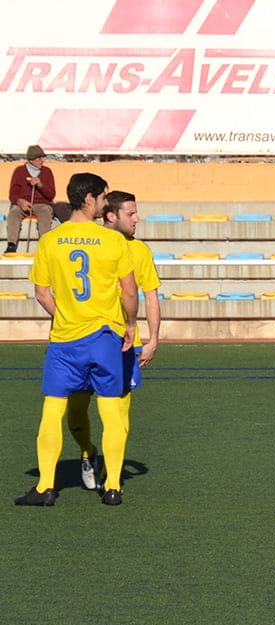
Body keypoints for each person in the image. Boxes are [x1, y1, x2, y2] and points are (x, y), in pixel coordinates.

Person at [16, 173, 138, 507]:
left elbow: (42, 293)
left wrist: (66, 316)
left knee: (52, 412)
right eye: (102, 197)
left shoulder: (50, 240)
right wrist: (130, 324)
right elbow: (129, 289)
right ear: (89, 199)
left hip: (65, 341)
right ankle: (113, 486)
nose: (104, 203)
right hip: (104, 337)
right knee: (112, 414)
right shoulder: (112, 241)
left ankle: (45, 487)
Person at [65, 191, 161, 495]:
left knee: (119, 414)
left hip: (125, 344)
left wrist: (154, 338)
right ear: (111, 216)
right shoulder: (89, 244)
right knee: (76, 410)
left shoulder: (140, 251)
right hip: (82, 339)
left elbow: (151, 295)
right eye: (131, 214)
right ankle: (87, 452)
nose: (137, 219)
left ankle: (113, 482)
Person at [7, 145, 56, 253]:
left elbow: (51, 195)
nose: (41, 161)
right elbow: (12, 194)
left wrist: (41, 185)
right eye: (38, 159)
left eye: (42, 158)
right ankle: (11, 245)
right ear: (30, 160)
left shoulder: (47, 171)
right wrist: (19, 201)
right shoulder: (19, 171)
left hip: (41, 203)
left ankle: (45, 244)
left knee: (45, 211)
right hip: (23, 203)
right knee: (14, 212)